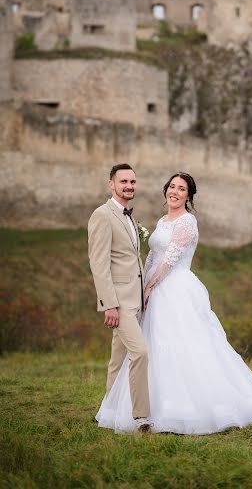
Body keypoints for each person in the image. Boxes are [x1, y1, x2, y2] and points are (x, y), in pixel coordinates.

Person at [96, 172, 252, 434]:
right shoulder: (163, 221)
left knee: (186, 347)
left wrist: (150, 286)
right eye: (171, 187)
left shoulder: (187, 222)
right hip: (152, 290)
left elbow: (170, 260)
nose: (174, 191)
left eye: (181, 189)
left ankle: (192, 409)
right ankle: (151, 407)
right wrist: (142, 288)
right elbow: (151, 256)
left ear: (189, 195)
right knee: (152, 347)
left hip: (175, 289)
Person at [88, 163, 151, 433]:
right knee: (140, 353)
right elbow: (98, 264)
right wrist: (109, 305)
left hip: (135, 299)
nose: (129, 186)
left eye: (133, 182)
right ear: (111, 184)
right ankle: (141, 417)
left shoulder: (129, 217)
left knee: (117, 359)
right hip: (120, 303)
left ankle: (108, 413)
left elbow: (131, 260)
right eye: (123, 181)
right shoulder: (102, 215)